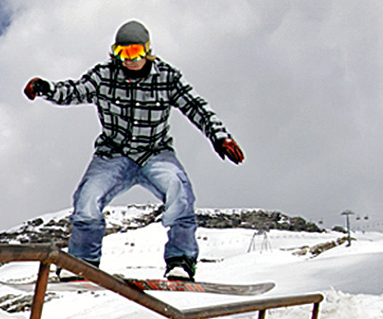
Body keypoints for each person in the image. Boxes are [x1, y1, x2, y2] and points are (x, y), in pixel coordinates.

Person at [24, 20, 244, 281]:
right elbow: (74, 91)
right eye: (122, 53)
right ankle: (82, 262)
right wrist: (46, 89)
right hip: (113, 154)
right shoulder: (104, 76)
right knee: (87, 199)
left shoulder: (167, 77)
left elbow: (196, 107)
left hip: (155, 153)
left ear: (147, 50)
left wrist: (219, 137)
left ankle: (180, 261)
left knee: (179, 192)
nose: (129, 60)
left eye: (135, 52)